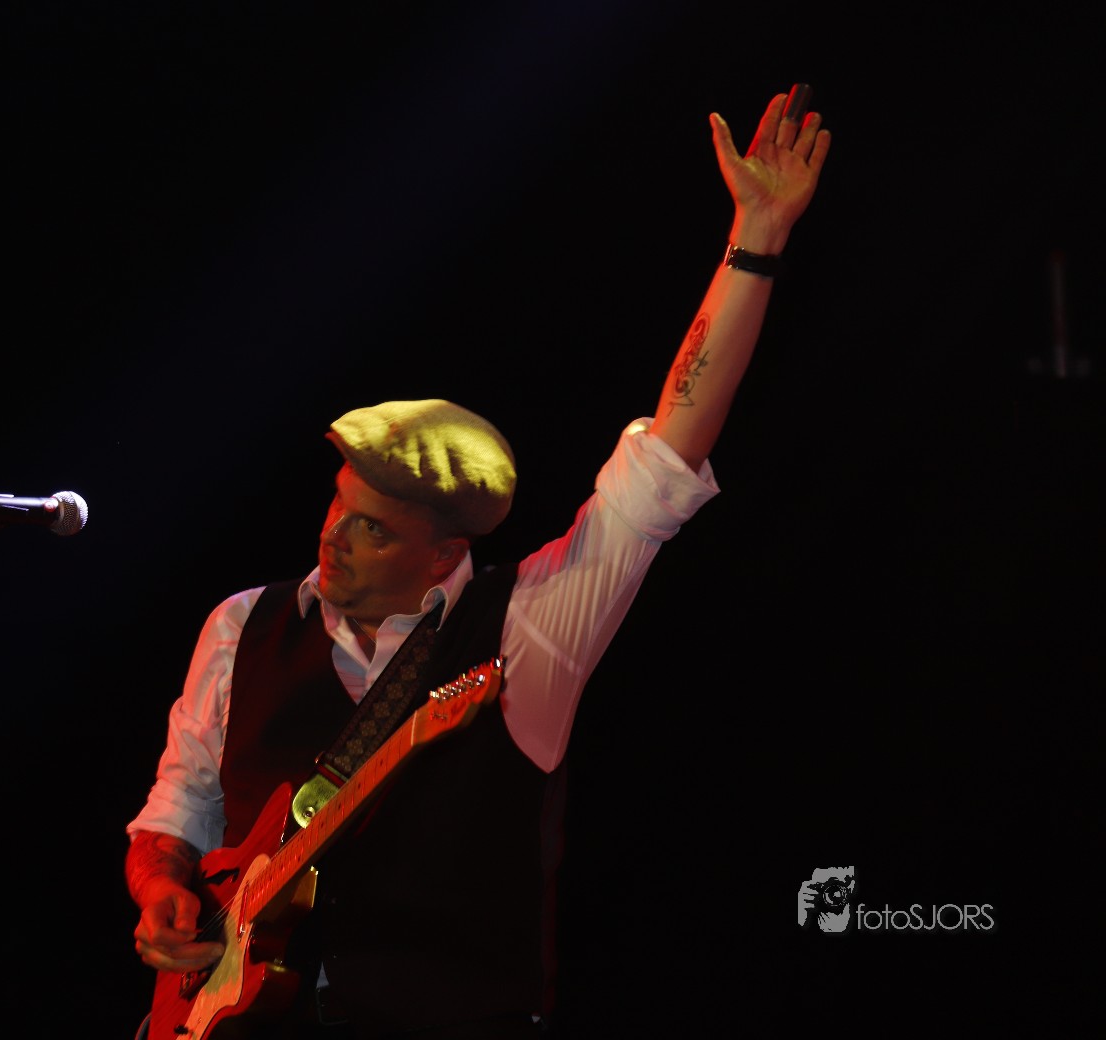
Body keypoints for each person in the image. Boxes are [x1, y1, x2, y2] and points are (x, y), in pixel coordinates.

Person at [124, 87, 832, 1038]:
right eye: (337, 506)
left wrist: (756, 240)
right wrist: (162, 892)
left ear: (445, 553)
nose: (334, 537)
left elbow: (667, 457)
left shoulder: (529, 628)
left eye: (374, 530)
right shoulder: (242, 625)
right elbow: (175, 816)